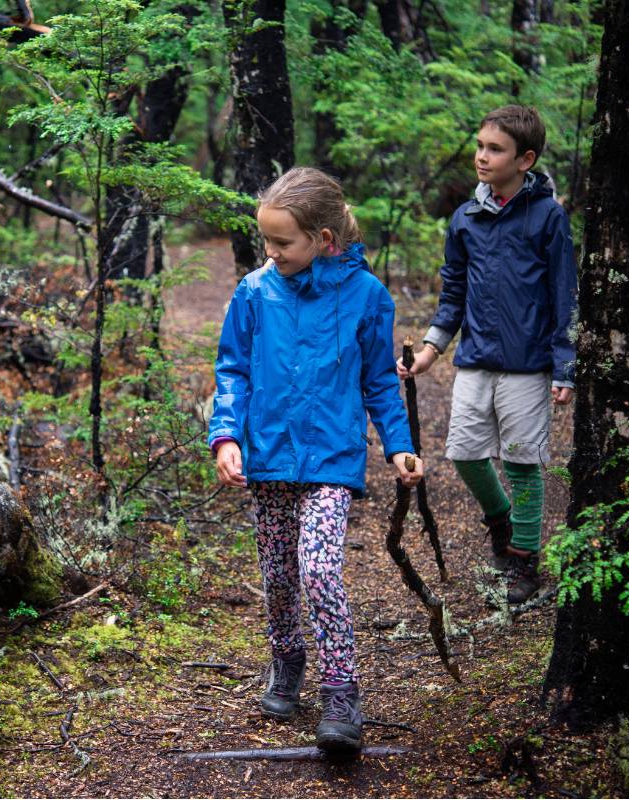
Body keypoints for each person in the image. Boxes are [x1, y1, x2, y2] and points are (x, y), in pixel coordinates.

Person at [208, 167, 423, 752]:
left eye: (283, 242)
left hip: (331, 457)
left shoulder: (367, 298)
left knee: (319, 568)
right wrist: (226, 436)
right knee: (277, 576)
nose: (271, 253)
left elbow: (380, 380)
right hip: (269, 456)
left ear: (324, 239)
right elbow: (232, 371)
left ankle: (341, 690)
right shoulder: (254, 292)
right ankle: (286, 658)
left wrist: (399, 444)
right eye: (267, 242)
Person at [397, 104, 577, 605]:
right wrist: (431, 350)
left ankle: (523, 561)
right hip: (476, 358)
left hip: (528, 364)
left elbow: (565, 294)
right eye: (480, 145)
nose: (481, 156)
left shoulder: (547, 217)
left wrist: (565, 363)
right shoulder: (467, 218)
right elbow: (453, 292)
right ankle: (501, 521)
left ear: (525, 159)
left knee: (521, 462)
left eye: (494, 149)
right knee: (465, 454)